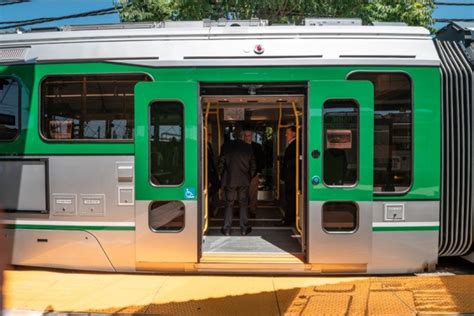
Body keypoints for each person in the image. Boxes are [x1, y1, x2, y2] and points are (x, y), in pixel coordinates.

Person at [218, 130, 256, 236]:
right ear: (243, 136)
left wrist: (222, 177)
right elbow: (253, 166)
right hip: (244, 180)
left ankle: (227, 229)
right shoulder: (248, 147)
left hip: (229, 180)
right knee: (243, 204)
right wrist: (249, 177)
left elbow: (221, 163)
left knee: (229, 204)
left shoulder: (225, 146)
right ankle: (244, 229)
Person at [242, 129, 265, 218]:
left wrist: (259, 172)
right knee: (242, 193)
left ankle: (252, 210)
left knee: (253, 193)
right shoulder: (240, 146)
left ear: (252, 136)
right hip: (242, 174)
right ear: (244, 137)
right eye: (246, 136)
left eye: (249, 135)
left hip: (254, 174)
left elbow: (262, 160)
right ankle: (242, 210)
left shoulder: (257, 147)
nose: (248, 137)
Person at [280, 125, 299, 226]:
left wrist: (287, 165)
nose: (285, 134)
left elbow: (294, 160)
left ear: (294, 133)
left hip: (292, 177)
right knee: (289, 198)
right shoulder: (292, 144)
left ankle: (288, 219)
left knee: (290, 199)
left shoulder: (296, 144)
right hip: (290, 177)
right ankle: (288, 218)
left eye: (287, 132)